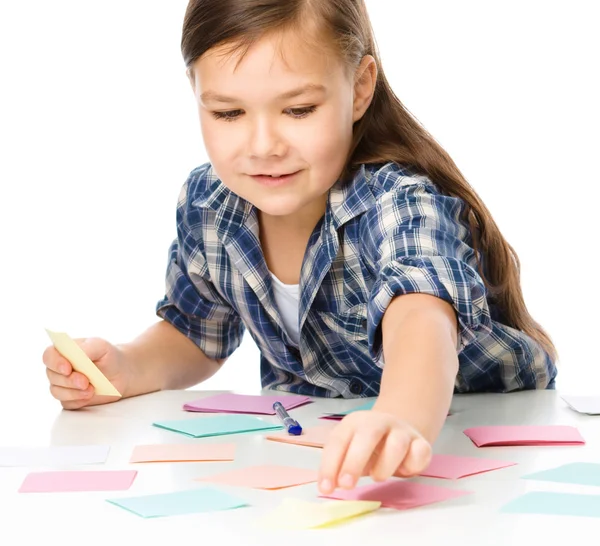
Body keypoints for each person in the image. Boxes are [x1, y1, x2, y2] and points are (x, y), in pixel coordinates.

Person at [42, 0, 557, 495]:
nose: (263, 145)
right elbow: (195, 333)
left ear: (359, 88)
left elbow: (422, 322)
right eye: (227, 113)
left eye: (298, 109)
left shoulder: (399, 202)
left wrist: (398, 417)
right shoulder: (209, 206)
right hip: (325, 448)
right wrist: (127, 367)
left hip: (482, 436)